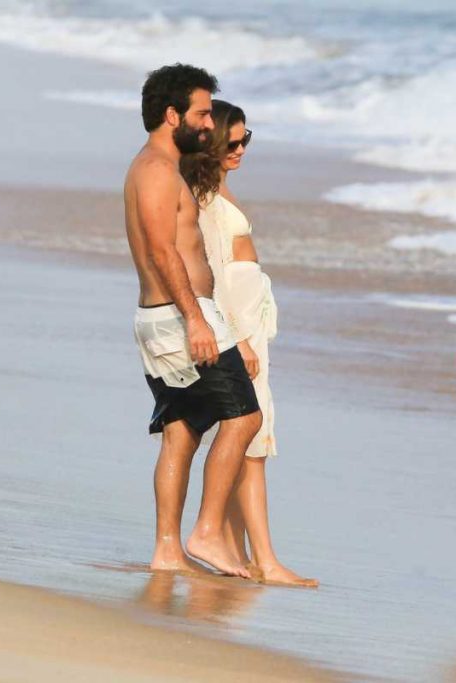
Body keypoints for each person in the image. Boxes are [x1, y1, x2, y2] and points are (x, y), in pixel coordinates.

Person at [124, 64, 262, 578]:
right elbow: (163, 250)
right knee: (246, 418)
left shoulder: (150, 166)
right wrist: (196, 320)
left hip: (160, 318)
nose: (209, 125)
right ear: (172, 114)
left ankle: (166, 548)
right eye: (202, 113)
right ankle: (205, 532)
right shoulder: (158, 172)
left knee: (181, 432)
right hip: (182, 316)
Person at [181, 100, 317, 587]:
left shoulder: (215, 188)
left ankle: (246, 552)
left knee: (251, 443)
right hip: (234, 327)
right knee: (252, 443)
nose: (240, 150)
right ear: (211, 142)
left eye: (246, 140)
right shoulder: (202, 197)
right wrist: (237, 338)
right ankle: (266, 560)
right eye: (232, 142)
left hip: (245, 326)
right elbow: (210, 273)